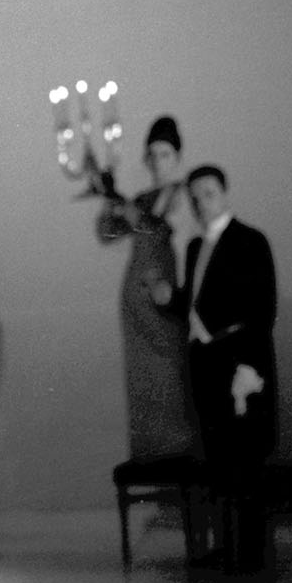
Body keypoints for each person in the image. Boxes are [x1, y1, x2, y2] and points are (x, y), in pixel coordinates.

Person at [176, 164, 277, 572]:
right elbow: (195, 303)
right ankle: (227, 547)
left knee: (245, 456)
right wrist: (170, 298)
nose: (202, 203)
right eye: (195, 198)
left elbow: (263, 309)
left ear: (224, 193)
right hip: (206, 365)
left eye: (209, 193)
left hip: (239, 363)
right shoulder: (195, 248)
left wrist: (248, 367)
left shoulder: (250, 241)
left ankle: (250, 556)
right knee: (217, 456)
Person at [95, 115, 197, 458]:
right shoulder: (140, 199)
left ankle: (177, 460)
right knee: (142, 383)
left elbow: (159, 227)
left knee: (171, 377)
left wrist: (120, 201)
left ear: (178, 157)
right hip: (135, 301)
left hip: (166, 296)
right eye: (152, 155)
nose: (157, 162)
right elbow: (108, 233)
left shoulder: (183, 194)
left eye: (165, 154)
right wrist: (107, 198)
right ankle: (150, 464)